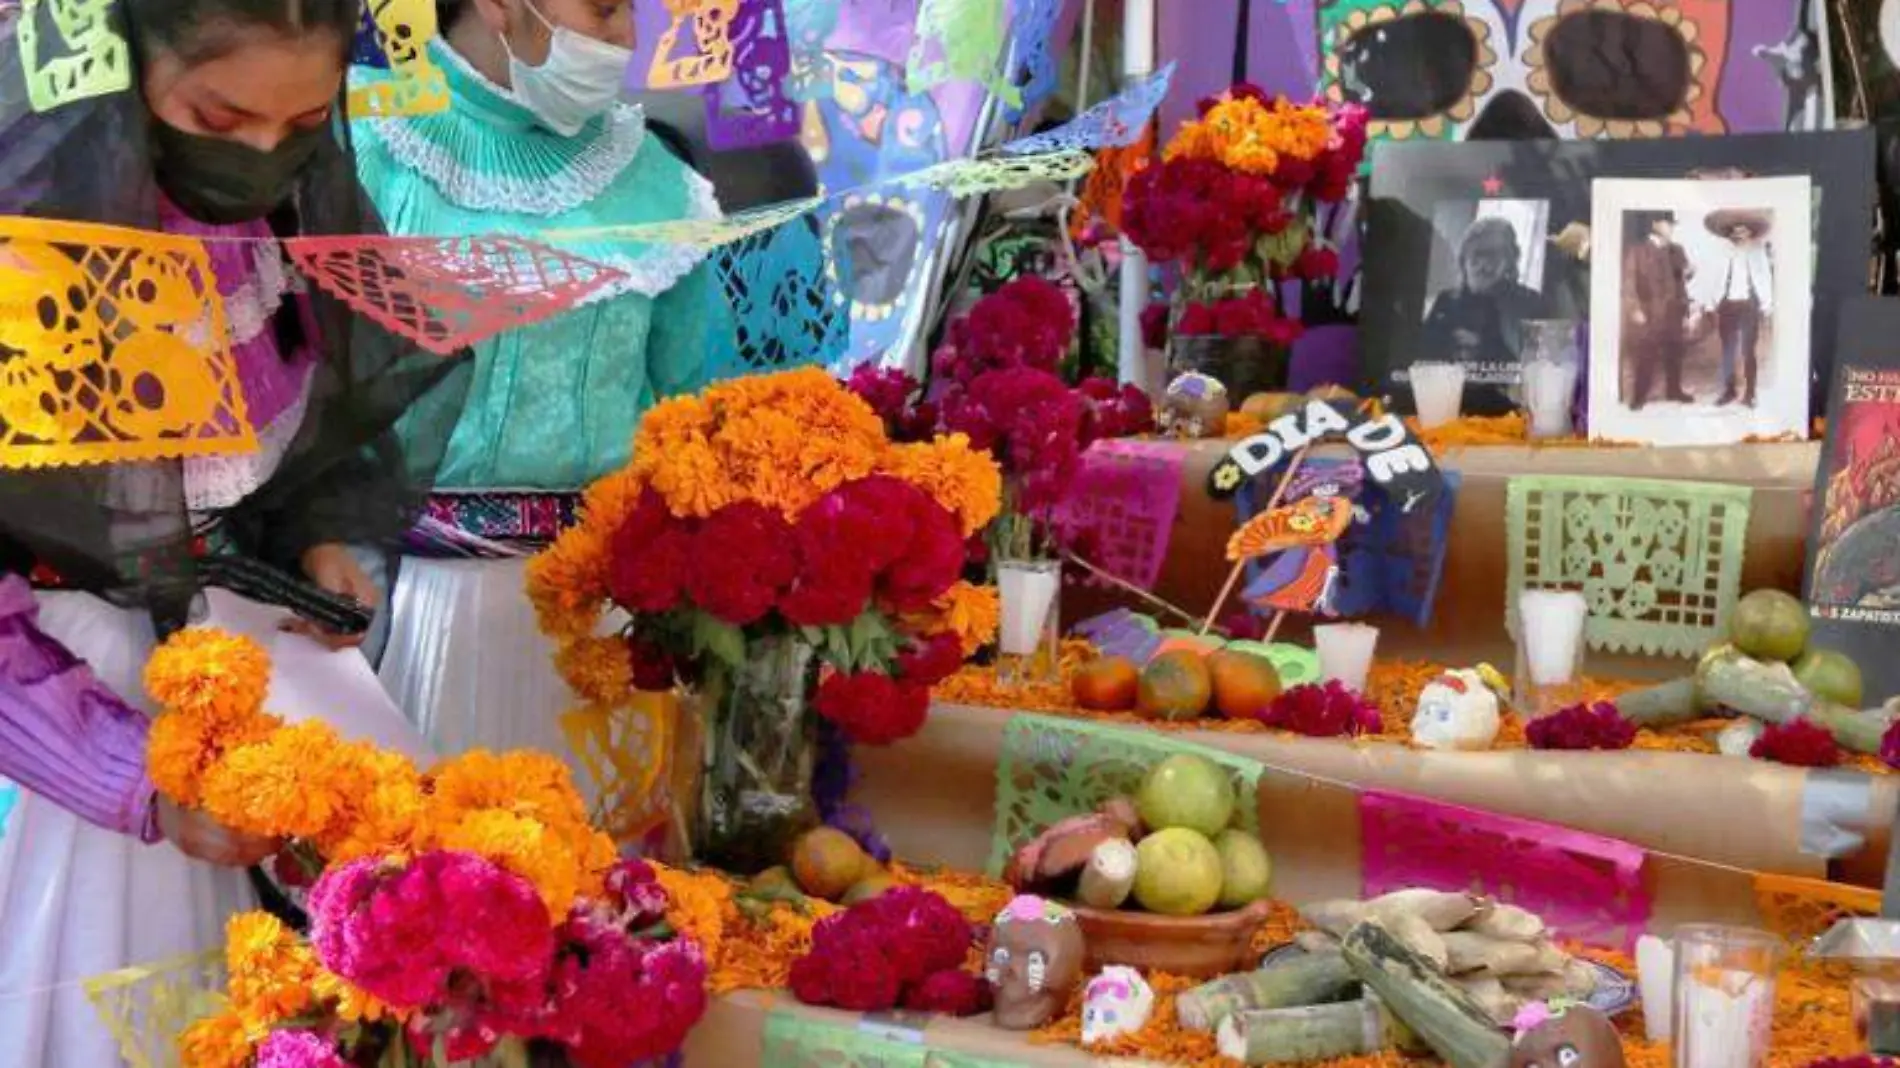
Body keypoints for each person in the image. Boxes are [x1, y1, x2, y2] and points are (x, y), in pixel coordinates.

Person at [0, 2, 466, 1064]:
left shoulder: (274, 224)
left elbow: (301, 443)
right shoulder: (20, 246)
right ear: (123, 69)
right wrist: (136, 780)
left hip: (264, 708)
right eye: (220, 114)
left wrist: (314, 545)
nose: (261, 154)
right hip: (96, 728)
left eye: (304, 122)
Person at [354, 0, 730, 790]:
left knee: (610, 891)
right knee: (426, 879)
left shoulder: (658, 181)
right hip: (415, 605)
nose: (626, 37)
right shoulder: (362, 148)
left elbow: (707, 411)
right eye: (604, 9)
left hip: (604, 622)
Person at [1420, 214, 1548, 390]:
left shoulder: (1530, 303)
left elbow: (1537, 372)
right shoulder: (1446, 300)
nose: (1484, 265)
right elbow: (1422, 360)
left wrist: (1483, 347)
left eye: (1494, 256)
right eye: (1477, 254)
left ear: (1509, 262)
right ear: (1464, 259)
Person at [1698, 211, 1774, 407]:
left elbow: (1764, 279)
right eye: (1735, 232)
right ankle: (1729, 391)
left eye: (1743, 231)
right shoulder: (1723, 254)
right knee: (1728, 350)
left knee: (1748, 350)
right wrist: (1710, 304)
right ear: (1730, 234)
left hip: (1749, 305)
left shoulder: (1758, 254)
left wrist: (1767, 305)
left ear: (1750, 233)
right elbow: (1715, 280)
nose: (1739, 235)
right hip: (1728, 305)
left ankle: (1750, 394)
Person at [1620, 209, 1695, 409]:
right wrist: (1634, 308)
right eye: (1668, 224)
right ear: (1655, 225)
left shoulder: (1677, 250)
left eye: (1672, 225)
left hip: (1674, 311)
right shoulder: (1637, 251)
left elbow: (1683, 281)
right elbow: (1628, 283)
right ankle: (1639, 396)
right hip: (1649, 313)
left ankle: (1674, 390)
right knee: (1646, 354)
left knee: (1675, 352)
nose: (1671, 228)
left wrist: (1689, 273)